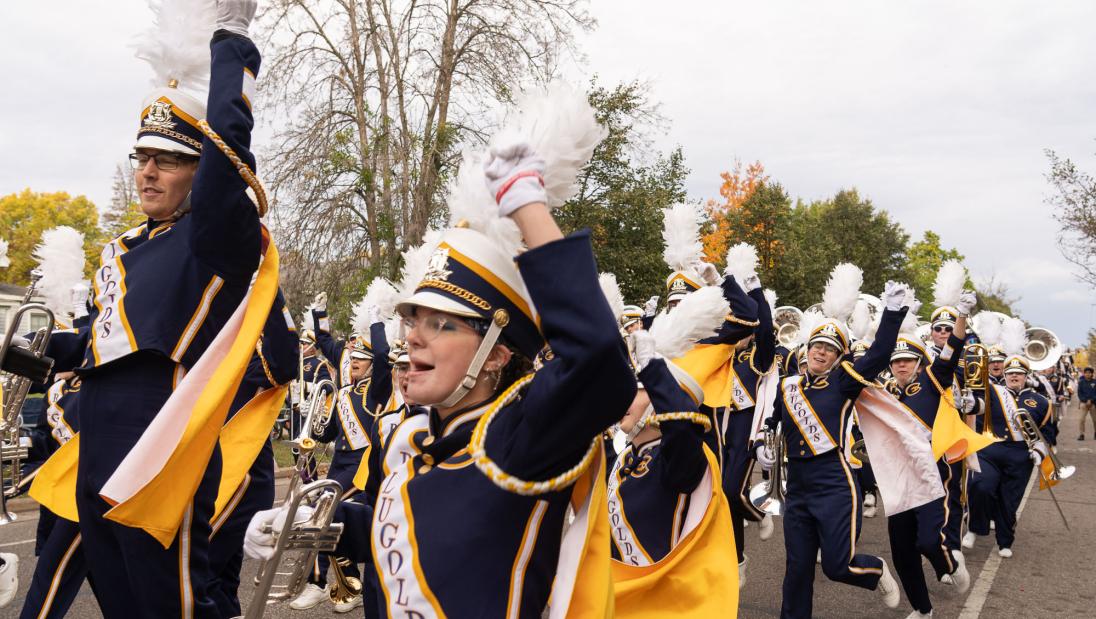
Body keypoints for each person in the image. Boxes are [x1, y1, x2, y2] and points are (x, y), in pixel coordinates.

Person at [248, 101, 636, 616]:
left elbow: (601, 366)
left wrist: (526, 204)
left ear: (497, 354)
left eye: (443, 324)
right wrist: (310, 529)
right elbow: (408, 534)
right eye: (414, 321)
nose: (414, 338)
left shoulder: (519, 434)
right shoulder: (413, 439)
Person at [32, 2, 266, 615]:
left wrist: (231, 43)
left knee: (172, 603)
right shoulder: (125, 247)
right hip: (98, 442)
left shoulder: (214, 233)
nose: (147, 172)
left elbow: (226, 147)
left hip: (161, 442)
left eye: (167, 159)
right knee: (120, 602)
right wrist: (31, 353)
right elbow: (97, 348)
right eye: (142, 157)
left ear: (200, 169)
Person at [760, 279, 911, 619]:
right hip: (797, 486)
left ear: (838, 356)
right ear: (807, 347)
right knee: (796, 570)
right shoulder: (789, 386)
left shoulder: (843, 382)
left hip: (834, 484)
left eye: (829, 348)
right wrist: (762, 444)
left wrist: (891, 311)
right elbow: (774, 421)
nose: (821, 351)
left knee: (836, 566)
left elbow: (880, 354)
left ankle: (875, 571)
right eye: (817, 345)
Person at [882, 291, 977, 619]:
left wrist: (961, 315)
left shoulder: (933, 381)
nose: (901, 365)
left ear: (920, 362)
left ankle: (951, 564)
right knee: (901, 553)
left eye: (907, 360)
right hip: (899, 482)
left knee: (927, 542)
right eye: (896, 361)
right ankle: (924, 610)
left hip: (933, 476)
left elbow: (953, 350)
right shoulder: (885, 394)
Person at [965, 355, 1053, 557]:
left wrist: (1040, 450)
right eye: (1010, 373)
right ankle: (975, 528)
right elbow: (976, 408)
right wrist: (969, 403)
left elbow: (1046, 433)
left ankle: (1005, 541)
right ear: (1004, 375)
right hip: (990, 449)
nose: (1014, 376)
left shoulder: (1041, 402)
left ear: (1026, 376)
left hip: (1020, 455)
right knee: (981, 486)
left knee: (1009, 501)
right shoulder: (992, 393)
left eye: (1019, 373)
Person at [1076, 366, 1096, 440]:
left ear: (1092, 374)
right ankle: (1081, 434)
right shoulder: (1081, 382)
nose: (1088, 374)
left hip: (1093, 404)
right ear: (1084, 374)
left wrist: (1091, 400)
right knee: (1081, 420)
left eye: (1089, 373)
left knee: (1095, 420)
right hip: (1083, 404)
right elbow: (1079, 393)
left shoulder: (1095, 382)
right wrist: (1085, 400)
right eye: (1086, 373)